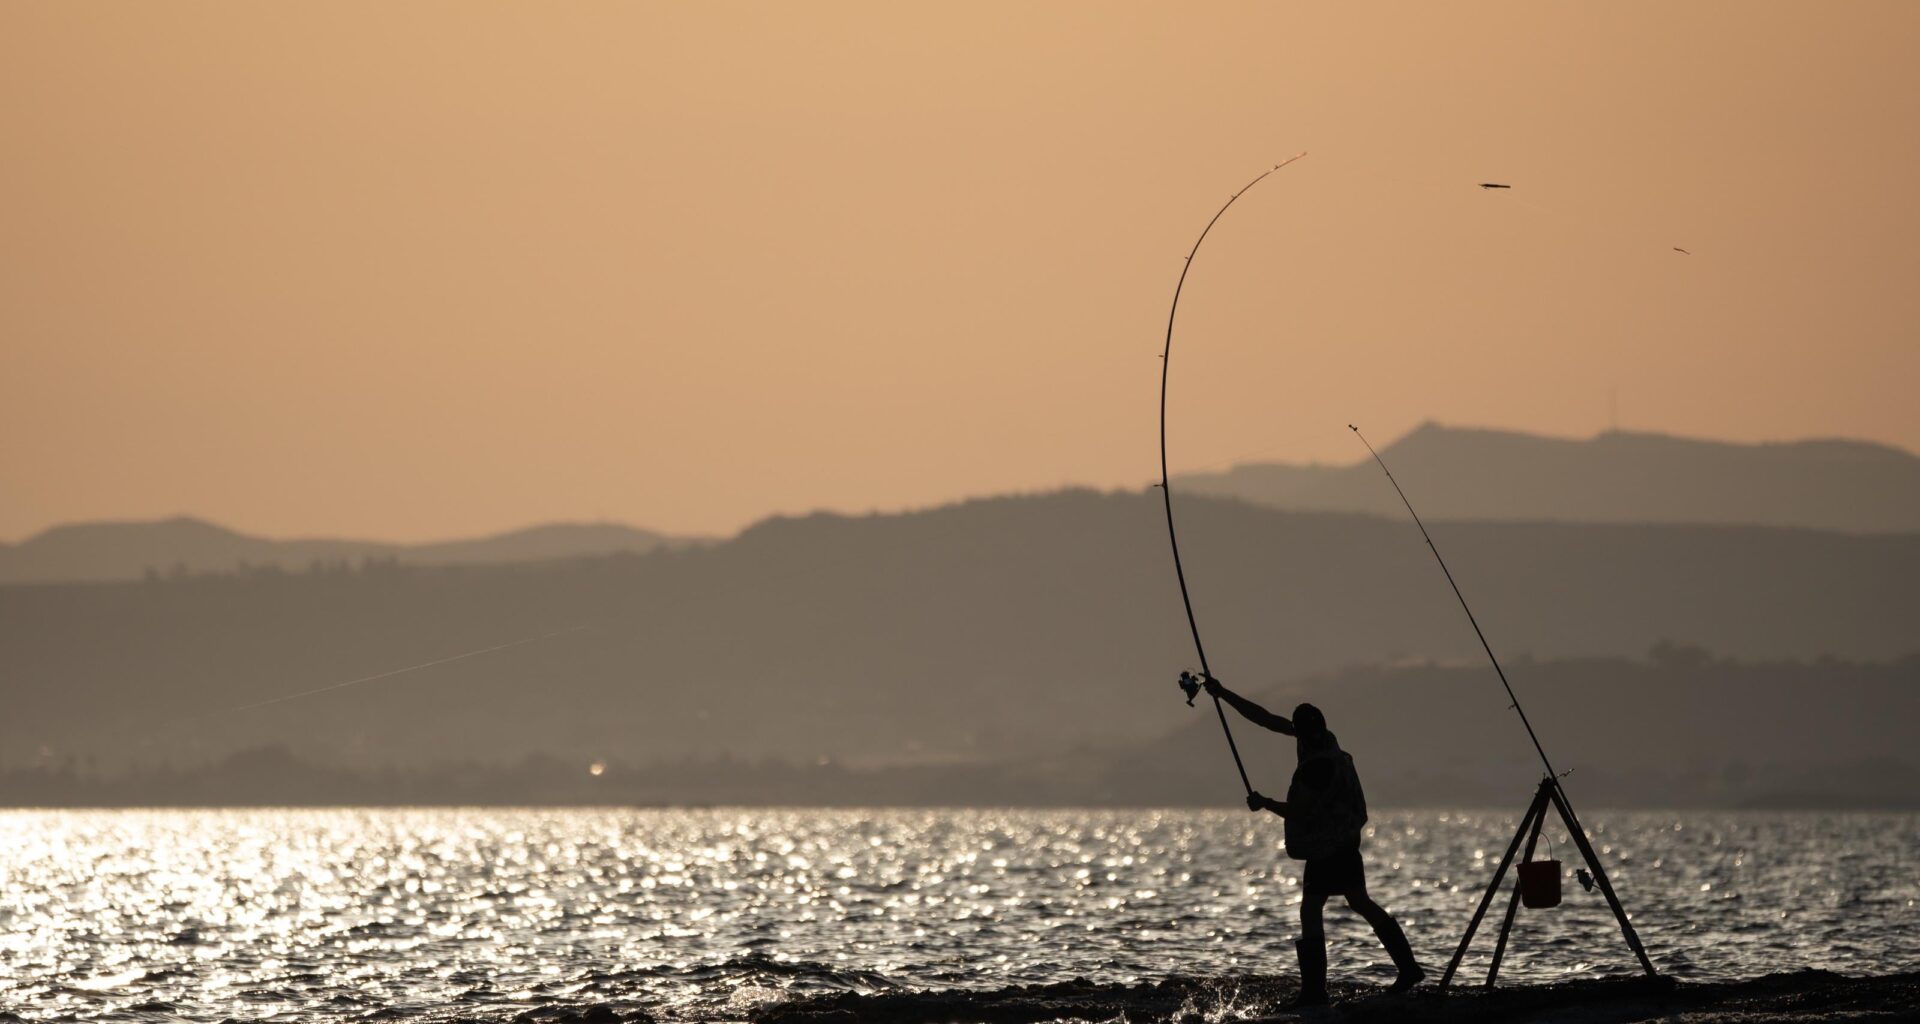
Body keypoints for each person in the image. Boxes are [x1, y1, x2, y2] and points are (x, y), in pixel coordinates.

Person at [1202, 676, 1423, 1006]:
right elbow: (1265, 719)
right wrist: (1223, 694)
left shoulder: (1317, 768)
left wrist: (1264, 803)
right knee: (1358, 901)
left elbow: (1298, 812)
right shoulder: (1326, 741)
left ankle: (1315, 992)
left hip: (1329, 847)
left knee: (1311, 909)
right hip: (1345, 843)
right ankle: (1407, 968)